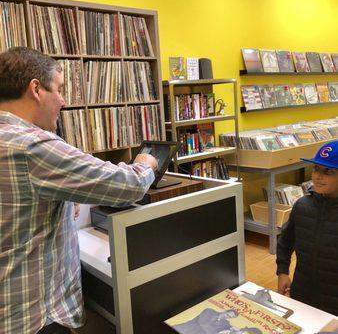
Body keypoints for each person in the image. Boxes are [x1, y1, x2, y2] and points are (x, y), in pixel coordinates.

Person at [0, 47, 158, 334]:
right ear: (36, 89)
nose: (62, 101)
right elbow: (128, 187)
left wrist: (63, 196)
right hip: (35, 318)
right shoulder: (32, 146)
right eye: (59, 90)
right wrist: (144, 164)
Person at [276, 140, 338, 315]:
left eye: (328, 171)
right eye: (316, 169)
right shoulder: (302, 205)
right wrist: (282, 271)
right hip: (302, 294)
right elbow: (285, 241)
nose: (318, 176)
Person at [172, 308, 238, 334]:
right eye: (227, 314)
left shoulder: (225, 324)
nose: (227, 317)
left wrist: (235, 330)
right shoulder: (210, 311)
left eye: (230, 317)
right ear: (225, 311)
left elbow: (229, 329)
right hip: (183, 329)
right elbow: (203, 323)